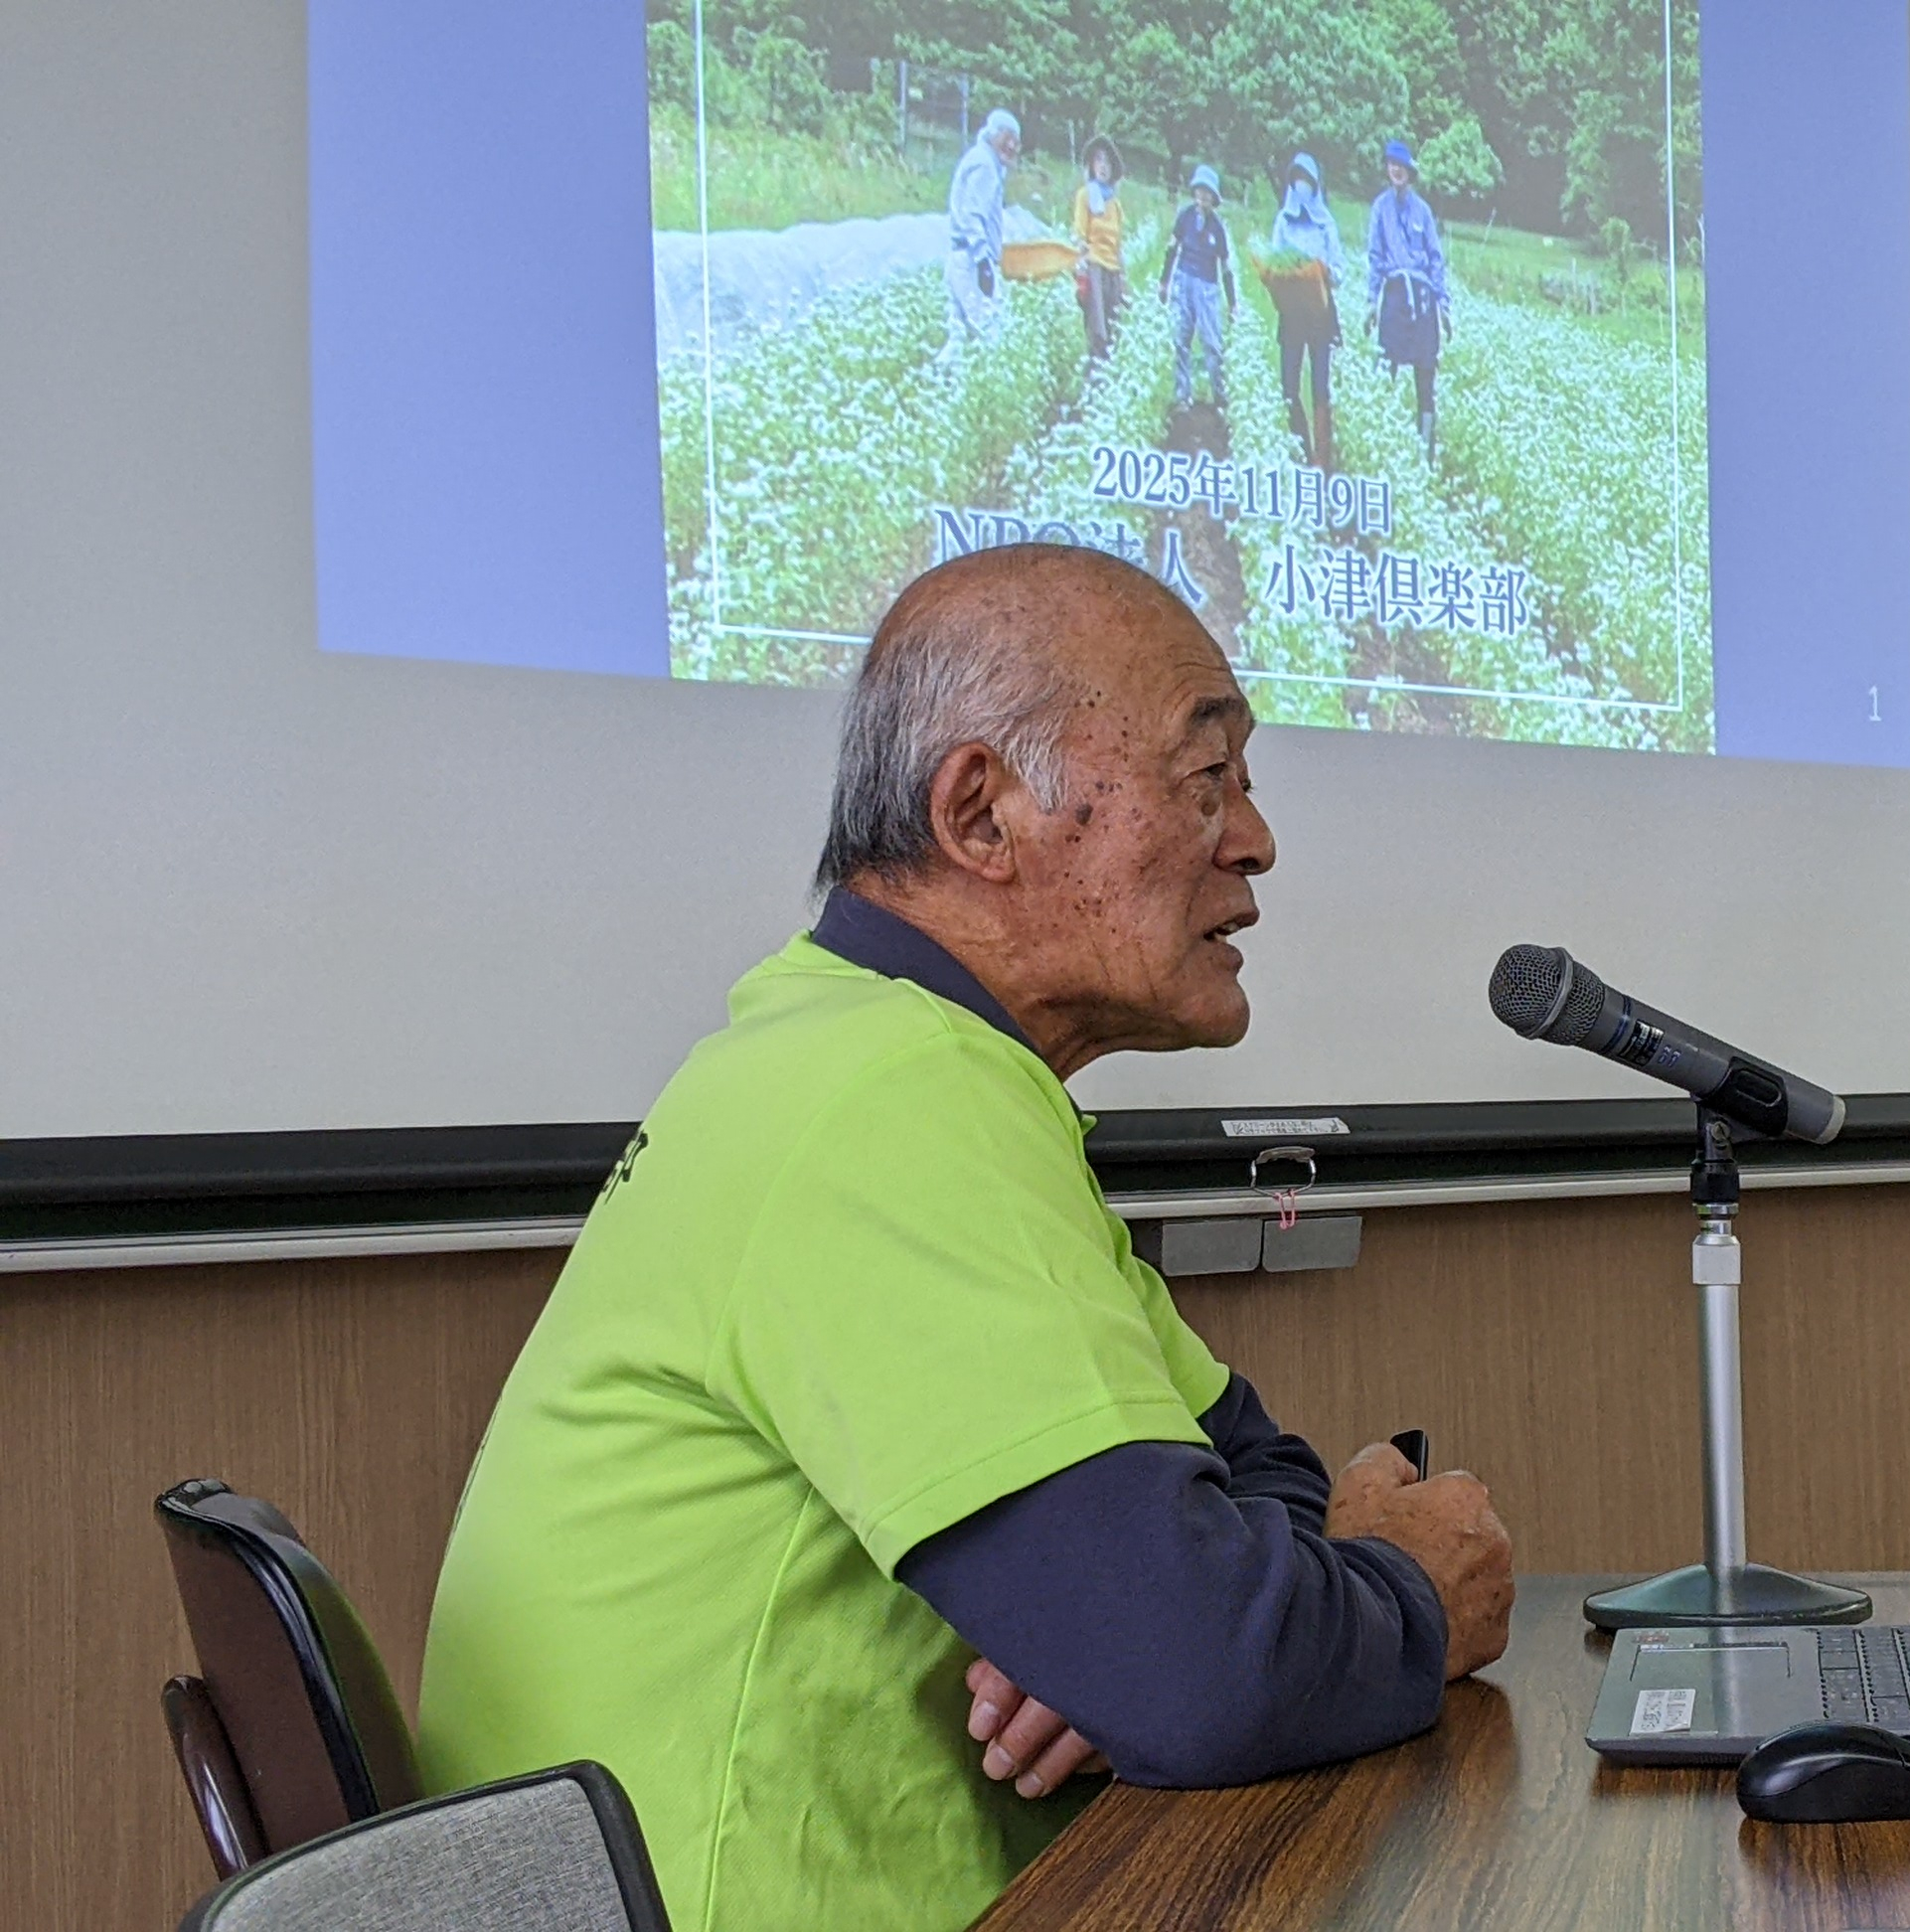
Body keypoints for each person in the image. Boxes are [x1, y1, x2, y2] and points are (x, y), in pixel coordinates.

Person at [414, 544, 1515, 1932]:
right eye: (1206, 777)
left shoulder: (902, 1066)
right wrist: (1406, 1585)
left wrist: (1121, 1624)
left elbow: (1249, 1460)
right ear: (981, 814)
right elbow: (1205, 1673)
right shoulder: (888, 1102)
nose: (1254, 839)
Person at [1365, 138, 1450, 450]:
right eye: (1391, 165)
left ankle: (1425, 444)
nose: (1395, 170)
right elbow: (1375, 256)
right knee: (1387, 365)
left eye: (1401, 166)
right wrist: (1371, 302)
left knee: (1425, 371)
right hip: (1396, 293)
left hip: (1423, 297)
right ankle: (1382, 440)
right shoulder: (1380, 208)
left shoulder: (1423, 211)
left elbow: (1436, 259)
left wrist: (1444, 305)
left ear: (1409, 172)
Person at [1266, 151, 1344, 470]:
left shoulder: (1326, 223)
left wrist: (1323, 271)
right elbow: (1274, 260)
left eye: (1307, 181)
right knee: (1289, 382)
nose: (1302, 186)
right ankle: (1298, 445)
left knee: (1321, 384)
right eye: (1297, 180)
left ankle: (1321, 457)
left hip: (1321, 313)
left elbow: (1339, 271)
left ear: (1316, 185)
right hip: (1292, 311)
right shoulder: (1283, 221)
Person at [1159, 164, 1236, 410]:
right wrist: (1164, 282)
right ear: (1194, 192)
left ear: (1214, 198)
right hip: (1183, 280)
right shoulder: (1185, 216)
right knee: (1181, 339)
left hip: (1207, 287)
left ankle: (1219, 396)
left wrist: (1233, 303)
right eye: (1199, 191)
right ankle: (1183, 395)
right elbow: (1172, 247)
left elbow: (1225, 266)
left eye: (1208, 193)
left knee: (1212, 344)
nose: (1203, 197)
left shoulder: (1217, 227)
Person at [944, 108, 1020, 357]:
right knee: (990, 330)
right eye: (1006, 138)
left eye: (1015, 141)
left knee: (959, 334)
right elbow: (972, 215)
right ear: (991, 134)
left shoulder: (983, 161)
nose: (1011, 146)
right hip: (972, 261)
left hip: (960, 258)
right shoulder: (985, 165)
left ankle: (940, 383)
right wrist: (983, 261)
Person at [1070, 134, 1127, 360]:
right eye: (1099, 161)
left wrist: (1123, 278)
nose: (1103, 167)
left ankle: (1107, 380)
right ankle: (1093, 382)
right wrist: (1081, 266)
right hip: (1094, 266)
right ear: (1092, 166)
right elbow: (1079, 233)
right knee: (1097, 329)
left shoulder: (1115, 204)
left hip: (1112, 269)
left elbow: (1118, 243)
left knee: (1113, 327)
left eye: (1107, 162)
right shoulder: (1085, 196)